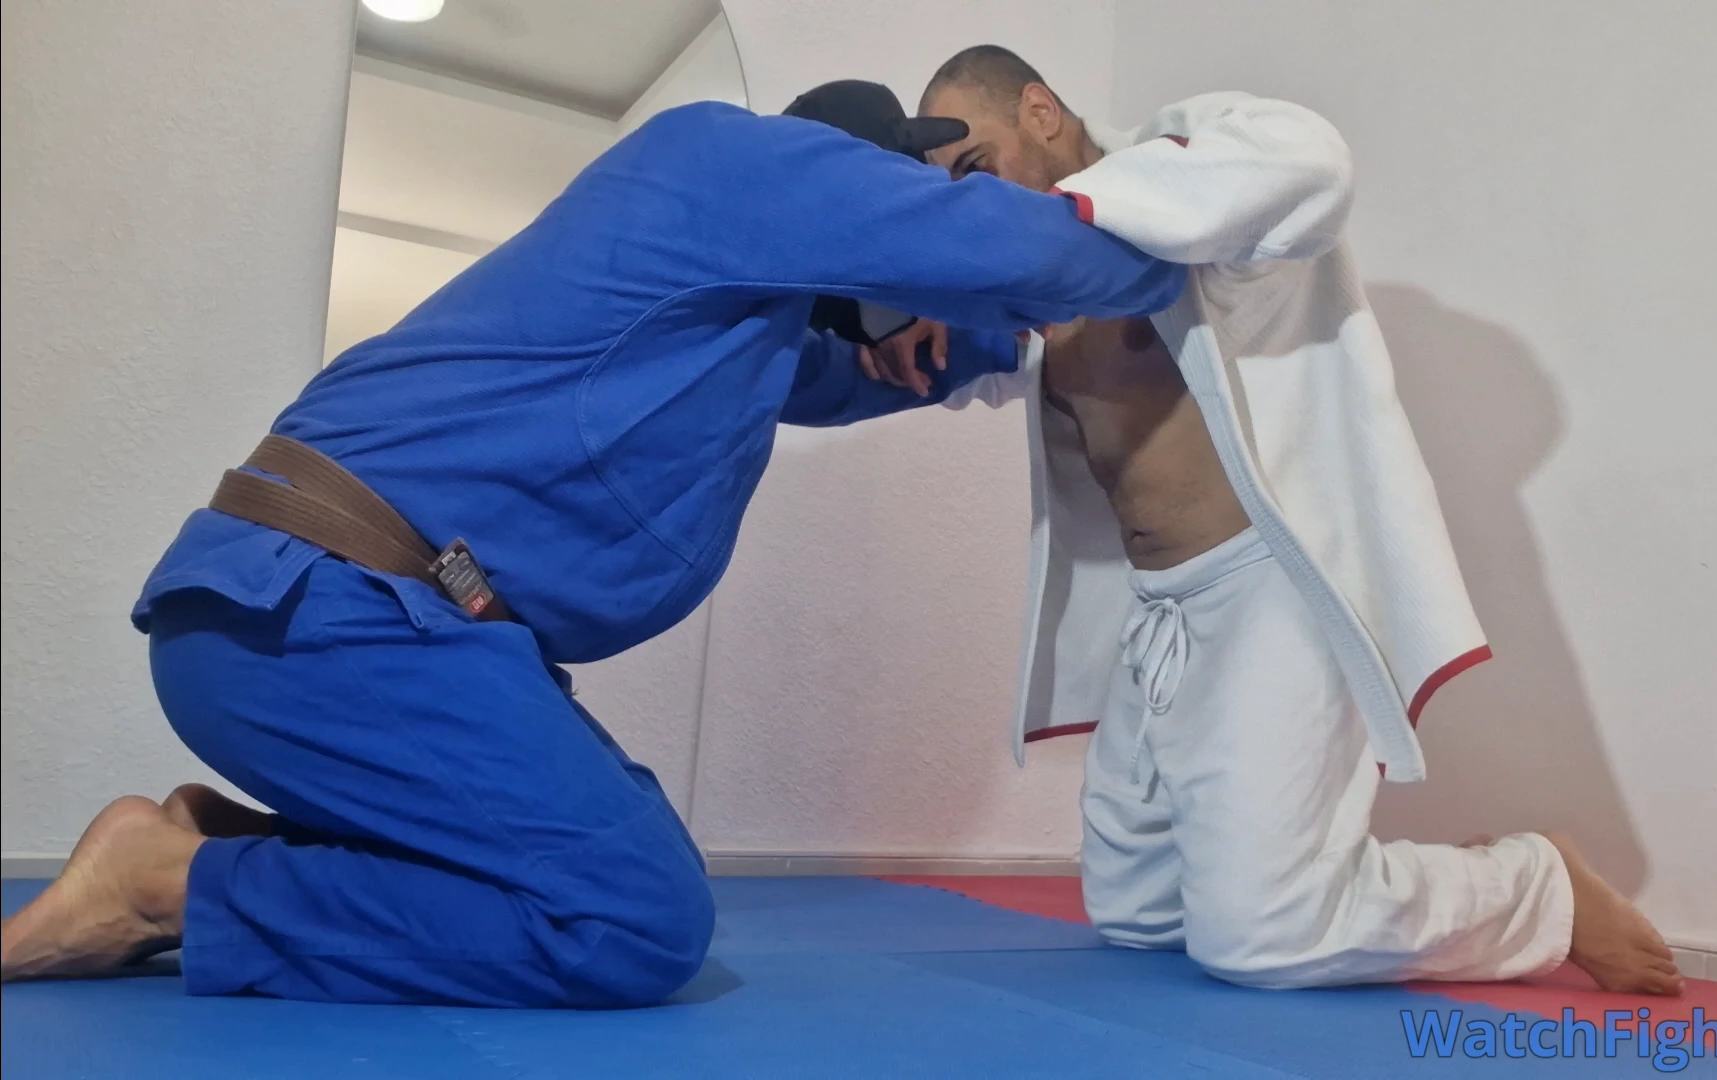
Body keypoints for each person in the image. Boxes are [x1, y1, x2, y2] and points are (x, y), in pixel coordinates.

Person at [0, 80, 1187, 1008]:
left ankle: (203, 851)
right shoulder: (731, 156)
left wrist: (992, 342)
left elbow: (869, 372)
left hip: (333, 619)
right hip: (321, 614)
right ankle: (165, 886)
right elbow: (1026, 250)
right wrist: (1198, 224)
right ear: (851, 180)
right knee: (632, 920)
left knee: (599, 872)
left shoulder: (731, 328)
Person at [885, 46, 1682, 995]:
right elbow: (952, 362)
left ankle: (1535, 889)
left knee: (1261, 937)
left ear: (1042, 111)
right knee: (1138, 916)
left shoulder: (1184, 178)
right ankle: (1318, 892)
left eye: (978, 167)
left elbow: (1315, 162)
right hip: (1160, 613)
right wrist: (920, 300)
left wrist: (1048, 223)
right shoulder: (1038, 291)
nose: (976, 205)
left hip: (1269, 587)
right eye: (953, 192)